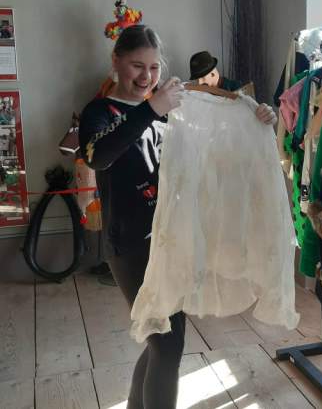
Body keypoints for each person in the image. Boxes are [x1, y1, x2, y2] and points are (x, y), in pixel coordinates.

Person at [79, 25, 276, 409]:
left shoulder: (169, 112)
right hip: (130, 245)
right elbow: (97, 156)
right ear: (116, 61)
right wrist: (152, 108)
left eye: (154, 67)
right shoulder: (101, 111)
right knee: (168, 343)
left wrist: (257, 120)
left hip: (171, 240)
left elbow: (215, 145)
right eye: (137, 66)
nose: (146, 76)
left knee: (160, 340)